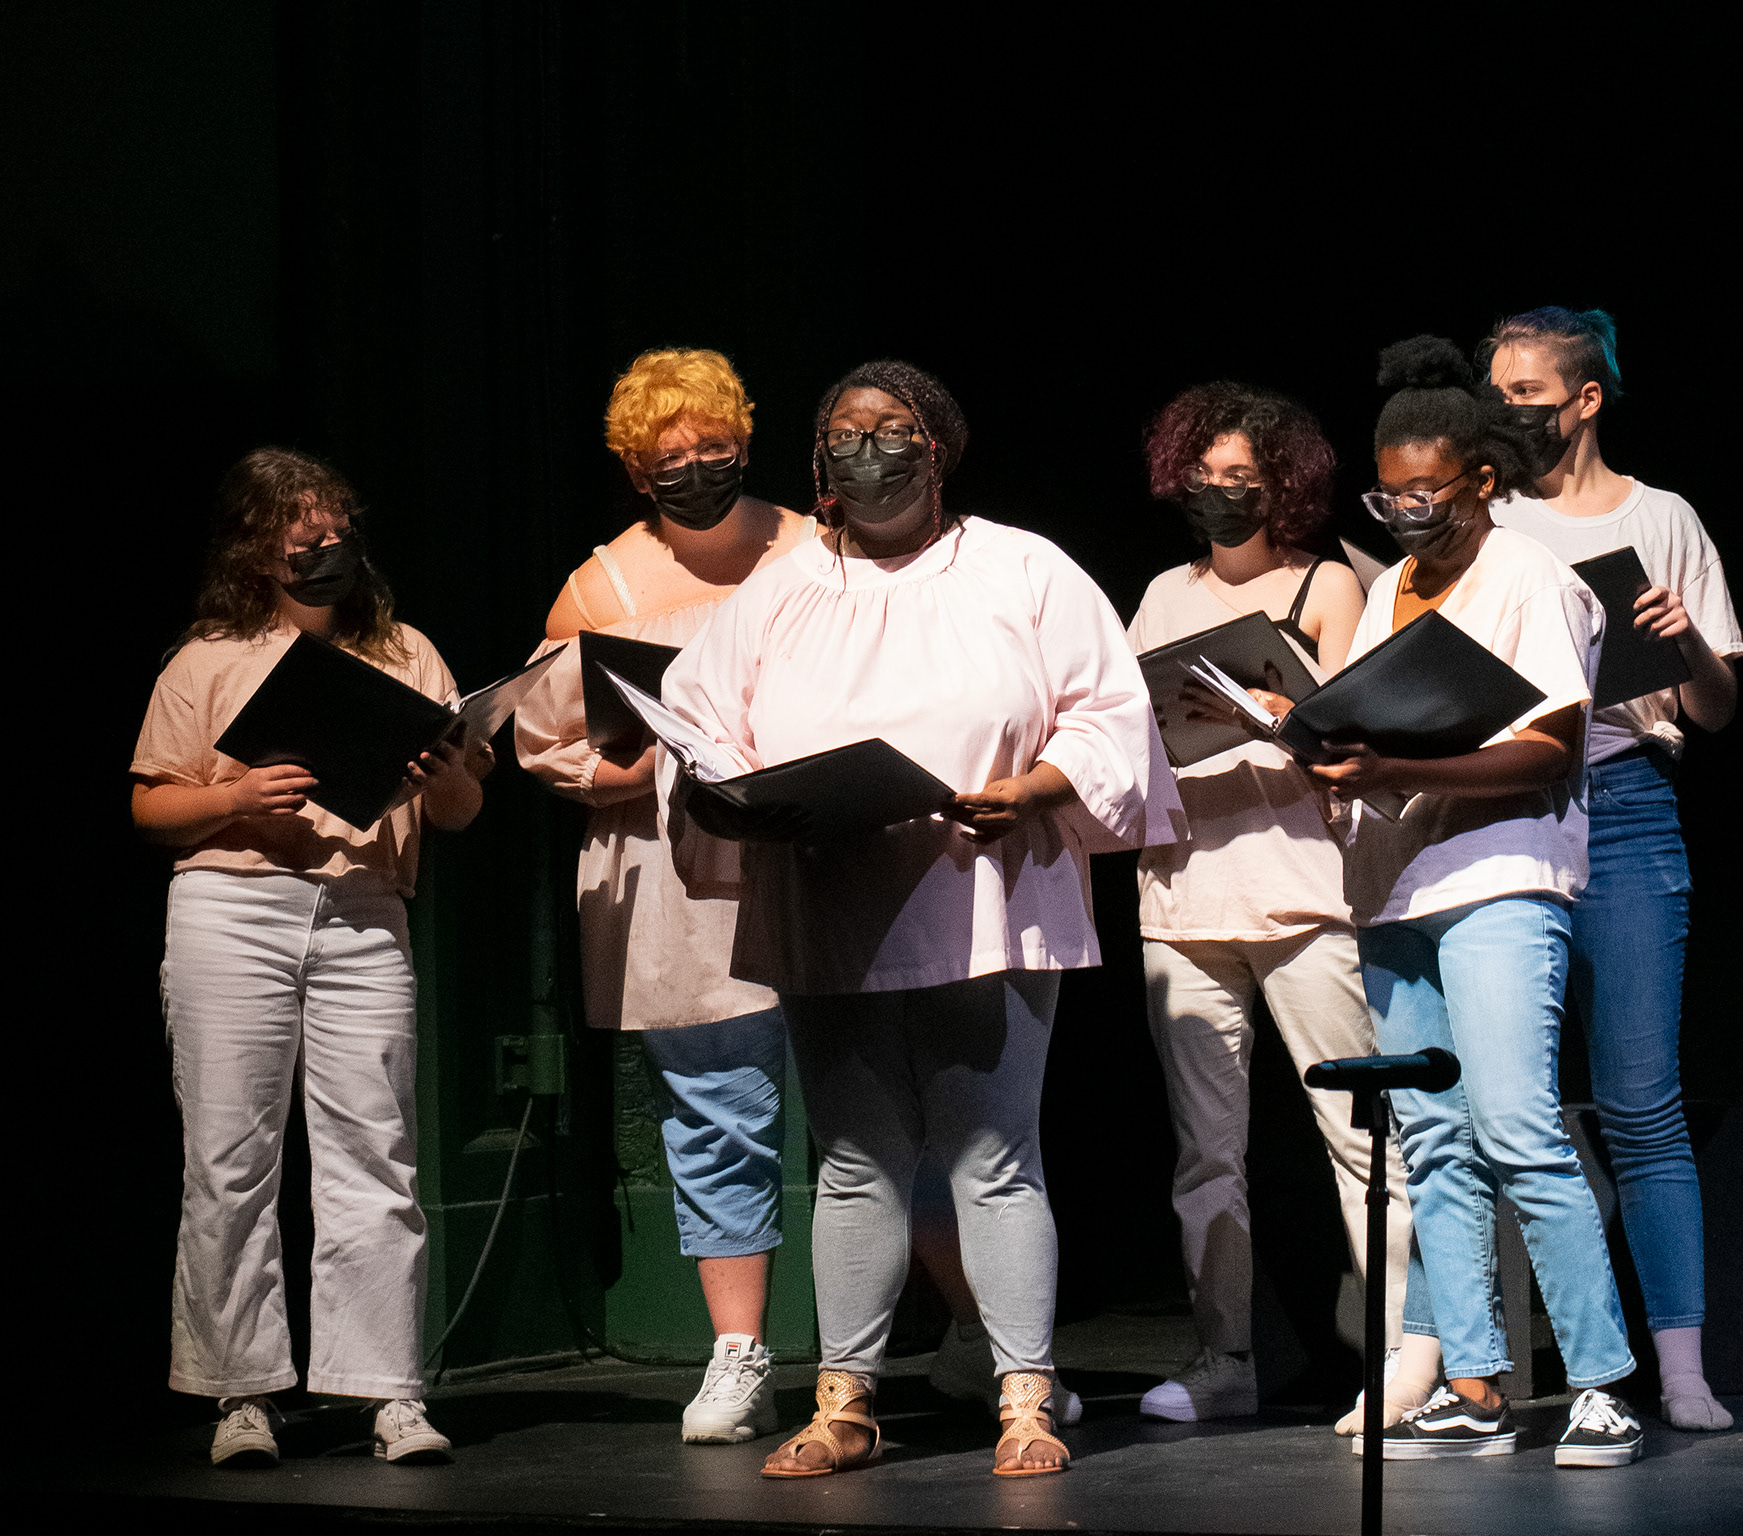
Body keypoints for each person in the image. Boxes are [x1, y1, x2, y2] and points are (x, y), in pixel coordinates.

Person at [661, 360, 1183, 1478]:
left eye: (891, 428)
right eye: (844, 432)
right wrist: (744, 796)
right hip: (830, 894)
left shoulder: (1020, 568)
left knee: (993, 1158)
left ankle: (1025, 1398)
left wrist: (1035, 788)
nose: (867, 448)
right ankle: (845, 1402)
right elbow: (699, 722)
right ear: (818, 460)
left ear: (937, 448)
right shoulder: (781, 590)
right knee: (854, 1161)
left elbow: (1108, 708)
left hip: (981, 889)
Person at [1295, 337, 1643, 1467]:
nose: (1405, 514)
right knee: (1434, 1143)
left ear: (1483, 479)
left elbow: (1551, 748)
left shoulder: (1530, 578)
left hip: (1500, 880)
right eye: (1387, 496)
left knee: (1517, 1128)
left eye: (1426, 495)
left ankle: (1600, 1385)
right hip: (1397, 889)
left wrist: (1396, 767)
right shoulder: (1388, 590)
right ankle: (1476, 1385)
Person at [131, 447, 486, 1467]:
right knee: (230, 1157)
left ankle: (387, 1391)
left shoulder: (406, 652)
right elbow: (151, 806)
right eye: (302, 531)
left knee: (376, 1151)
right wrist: (237, 796)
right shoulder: (208, 659)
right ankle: (239, 1393)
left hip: (363, 907)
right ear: (256, 548)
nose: (326, 545)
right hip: (232, 904)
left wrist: (443, 771)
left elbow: (463, 808)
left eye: (338, 528)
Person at [515, 348, 816, 1444]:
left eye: (711, 444)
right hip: (677, 883)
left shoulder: (814, 552)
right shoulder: (605, 588)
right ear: (637, 472)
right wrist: (626, 768)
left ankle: (961, 1335)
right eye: (666, 457)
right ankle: (741, 1355)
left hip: (809, 850)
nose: (693, 466)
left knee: (880, 1103)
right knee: (717, 1112)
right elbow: (547, 742)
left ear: (746, 438)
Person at [1125, 382, 1412, 1426]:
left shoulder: (1326, 583)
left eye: (1241, 476)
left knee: (1360, 1138)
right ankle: (1227, 1357)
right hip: (1185, 901)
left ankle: (1406, 1358)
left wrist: (1288, 716)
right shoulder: (1163, 593)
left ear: (1280, 483)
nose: (1220, 491)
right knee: (1206, 1153)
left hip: (1303, 898)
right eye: (1204, 475)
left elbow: (1359, 735)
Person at [1483, 307, 1743, 1431]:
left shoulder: (1662, 517)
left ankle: (1679, 1369)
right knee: (1503, 1106)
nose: (1507, 412)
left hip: (1628, 805)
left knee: (1642, 1104)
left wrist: (1683, 638)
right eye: (1497, 393)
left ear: (1585, 399)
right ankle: (1492, 1365)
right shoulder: (1487, 517)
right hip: (1505, 809)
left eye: (1527, 393)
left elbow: (1716, 709)